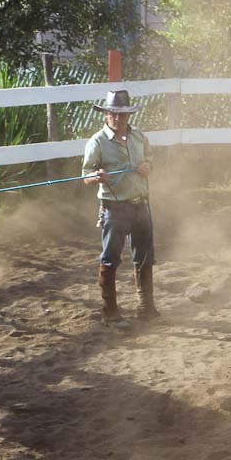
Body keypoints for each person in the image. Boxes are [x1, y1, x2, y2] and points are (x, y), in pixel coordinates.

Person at [82, 89, 159, 326]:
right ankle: (110, 311)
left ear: (128, 115)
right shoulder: (97, 142)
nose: (117, 118)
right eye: (113, 113)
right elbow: (86, 175)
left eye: (122, 114)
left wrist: (148, 167)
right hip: (114, 208)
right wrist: (98, 176)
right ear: (106, 114)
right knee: (111, 257)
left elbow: (151, 160)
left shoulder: (139, 137)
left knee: (145, 256)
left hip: (140, 204)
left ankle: (146, 307)